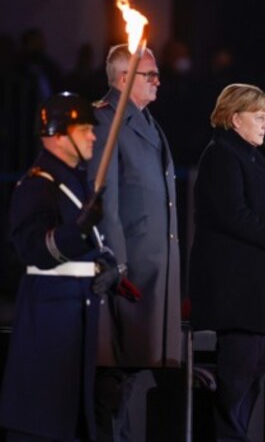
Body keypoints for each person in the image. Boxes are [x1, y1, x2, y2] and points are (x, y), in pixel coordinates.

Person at [0, 93, 135, 441]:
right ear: (59, 135)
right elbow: (35, 250)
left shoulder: (73, 181)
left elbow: (92, 248)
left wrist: (106, 266)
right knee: (48, 423)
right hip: (50, 324)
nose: (93, 136)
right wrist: (77, 230)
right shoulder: (37, 185)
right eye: (85, 129)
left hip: (79, 318)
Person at [189, 83, 265, 440]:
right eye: (260, 117)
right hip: (237, 293)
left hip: (256, 292)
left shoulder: (248, 154)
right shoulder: (222, 154)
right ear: (236, 118)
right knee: (236, 380)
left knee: (253, 373)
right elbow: (233, 213)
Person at [87, 44, 182, 441]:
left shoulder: (145, 119)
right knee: (116, 373)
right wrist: (118, 263)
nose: (159, 80)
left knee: (135, 372)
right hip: (130, 269)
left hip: (153, 263)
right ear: (124, 80)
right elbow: (105, 199)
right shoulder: (105, 120)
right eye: (150, 75)